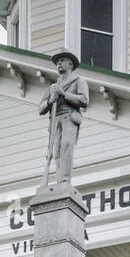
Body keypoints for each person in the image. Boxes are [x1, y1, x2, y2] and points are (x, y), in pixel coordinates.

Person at [39, 49, 89, 185]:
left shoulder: (78, 81)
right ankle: (59, 180)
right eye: (57, 62)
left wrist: (64, 94)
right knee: (56, 151)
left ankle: (65, 179)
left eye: (62, 61)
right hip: (55, 119)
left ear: (70, 65)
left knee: (67, 145)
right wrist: (50, 101)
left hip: (69, 117)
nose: (59, 63)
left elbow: (84, 101)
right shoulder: (52, 87)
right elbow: (41, 108)